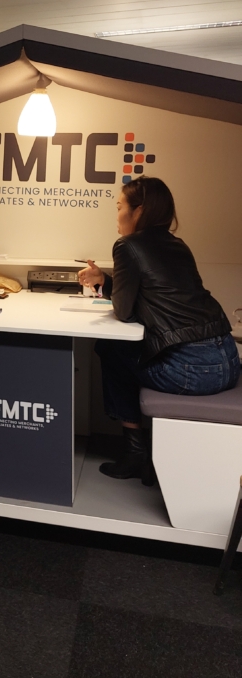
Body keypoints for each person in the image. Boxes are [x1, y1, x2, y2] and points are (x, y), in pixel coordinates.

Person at [79, 176, 239, 483]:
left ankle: (134, 452)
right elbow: (157, 292)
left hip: (192, 372)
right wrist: (104, 279)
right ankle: (146, 451)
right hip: (228, 362)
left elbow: (124, 311)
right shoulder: (178, 245)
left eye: (119, 207)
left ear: (138, 211)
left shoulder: (127, 245)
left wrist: (107, 282)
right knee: (128, 351)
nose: (117, 215)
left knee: (110, 348)